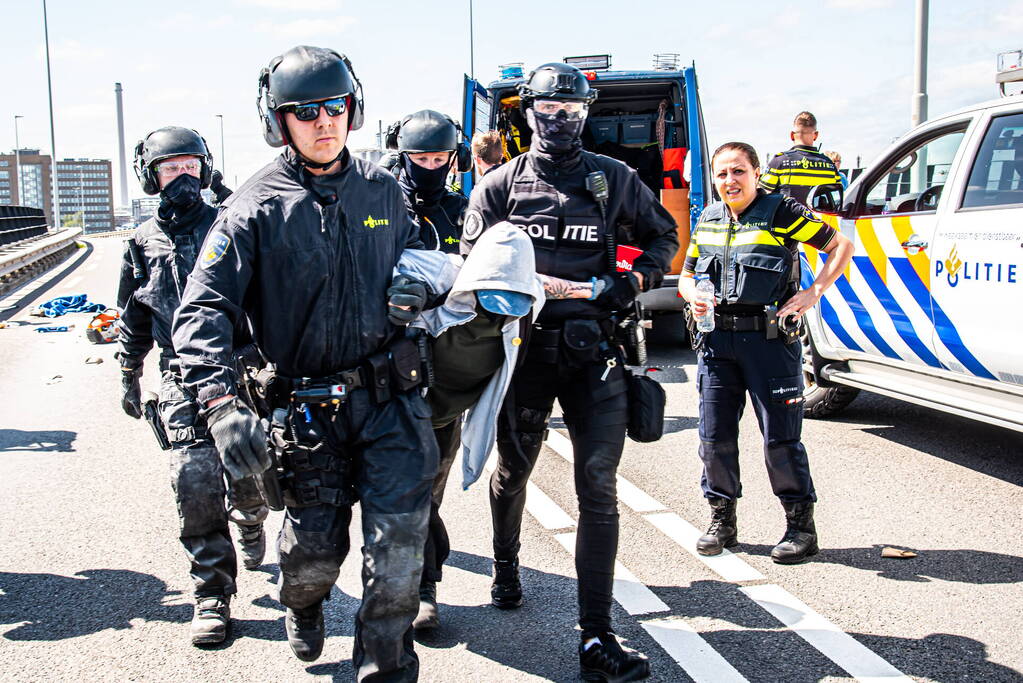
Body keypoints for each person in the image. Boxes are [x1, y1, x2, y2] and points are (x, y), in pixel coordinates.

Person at [171, 45, 438, 680]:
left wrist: (422, 285)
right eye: (306, 111)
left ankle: (385, 668)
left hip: (391, 403)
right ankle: (304, 602)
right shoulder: (253, 208)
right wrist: (220, 404)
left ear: (354, 108)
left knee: (399, 554)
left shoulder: (384, 190)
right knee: (313, 557)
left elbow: (426, 261)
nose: (325, 122)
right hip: (308, 412)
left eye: (335, 106)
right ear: (279, 121)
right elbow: (201, 311)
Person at [462, 62, 678, 682]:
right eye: (548, 110)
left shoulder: (614, 178)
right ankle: (506, 567)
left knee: (598, 488)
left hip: (595, 354)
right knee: (513, 473)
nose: (559, 121)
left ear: (585, 113)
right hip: (524, 356)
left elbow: (664, 239)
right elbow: (471, 263)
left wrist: (630, 282)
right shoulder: (499, 186)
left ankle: (597, 635)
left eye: (571, 111)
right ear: (527, 111)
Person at [116, 126, 267, 646]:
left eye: (190, 167)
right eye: (170, 168)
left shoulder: (232, 225)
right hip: (180, 375)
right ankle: (211, 594)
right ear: (151, 177)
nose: (182, 177)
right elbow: (134, 314)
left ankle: (251, 518)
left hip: (238, 370)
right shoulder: (141, 242)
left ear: (205, 170)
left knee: (249, 476)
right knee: (193, 480)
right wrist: (129, 372)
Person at [678, 141, 853, 565]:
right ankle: (722, 520)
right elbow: (686, 274)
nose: (730, 181)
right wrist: (692, 296)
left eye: (738, 171)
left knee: (780, 440)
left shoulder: (781, 212)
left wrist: (812, 293)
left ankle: (801, 528)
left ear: (756, 173)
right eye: (722, 173)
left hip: (769, 343)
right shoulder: (709, 217)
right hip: (716, 343)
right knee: (714, 437)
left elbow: (840, 247)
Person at [389, 110, 470, 254]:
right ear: (403, 159)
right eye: (421, 159)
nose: (430, 167)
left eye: (439, 159)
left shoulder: (460, 209)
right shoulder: (385, 207)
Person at [760, 111, 843, 204]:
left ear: (792, 135)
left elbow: (761, 195)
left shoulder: (780, 161)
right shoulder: (830, 166)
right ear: (816, 135)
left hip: (788, 213)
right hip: (819, 214)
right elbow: (837, 198)